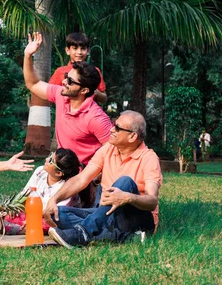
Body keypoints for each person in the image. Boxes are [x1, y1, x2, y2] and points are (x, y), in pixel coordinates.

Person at [44, 110, 162, 248]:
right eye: (113, 124)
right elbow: (81, 179)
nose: (111, 129)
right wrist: (54, 199)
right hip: (105, 215)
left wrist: (128, 197)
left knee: (125, 182)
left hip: (136, 219)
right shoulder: (107, 149)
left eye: (117, 128)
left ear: (132, 136)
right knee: (58, 213)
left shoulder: (149, 158)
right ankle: (123, 238)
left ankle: (83, 233)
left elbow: (152, 201)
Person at [23, 32, 112, 165]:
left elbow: (112, 150)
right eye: (66, 78)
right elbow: (33, 84)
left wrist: (94, 174)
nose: (64, 82)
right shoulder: (60, 93)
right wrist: (28, 55)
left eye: (70, 80)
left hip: (85, 170)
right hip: (64, 163)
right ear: (67, 50)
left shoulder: (97, 118)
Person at [4, 148, 82, 235]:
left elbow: (53, 213)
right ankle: (20, 226)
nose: (46, 159)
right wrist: (15, 208)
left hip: (50, 217)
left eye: (51, 160)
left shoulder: (67, 188)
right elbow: (25, 193)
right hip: (31, 214)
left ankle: (19, 228)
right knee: (6, 213)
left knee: (50, 223)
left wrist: (34, 219)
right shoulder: (40, 171)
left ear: (58, 173)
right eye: (50, 155)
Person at [49, 32, 107, 104]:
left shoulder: (94, 71)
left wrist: (94, 91)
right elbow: (49, 94)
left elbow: (104, 98)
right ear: (67, 50)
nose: (79, 52)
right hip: (66, 113)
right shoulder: (60, 71)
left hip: (89, 113)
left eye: (83, 49)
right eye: (75, 48)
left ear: (88, 50)